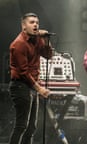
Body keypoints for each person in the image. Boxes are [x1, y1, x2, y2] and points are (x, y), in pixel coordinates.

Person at [8, 12, 53, 144]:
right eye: (32, 22)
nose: (35, 25)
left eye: (37, 22)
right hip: (20, 86)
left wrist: (45, 39)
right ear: (23, 26)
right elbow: (23, 72)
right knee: (22, 126)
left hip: (31, 86)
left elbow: (48, 55)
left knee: (31, 127)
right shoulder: (18, 44)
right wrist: (40, 89)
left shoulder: (37, 40)